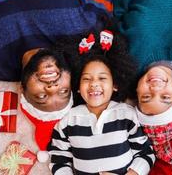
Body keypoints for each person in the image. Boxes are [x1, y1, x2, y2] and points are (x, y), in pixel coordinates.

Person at [47, 30, 155, 175]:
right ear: (77, 87)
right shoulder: (68, 120)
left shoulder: (126, 114)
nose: (94, 84)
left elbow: (145, 153)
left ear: (115, 85)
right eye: (86, 79)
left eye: (102, 78)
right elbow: (58, 159)